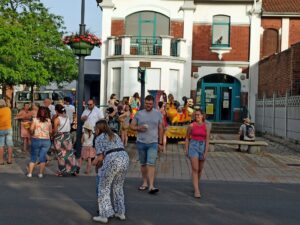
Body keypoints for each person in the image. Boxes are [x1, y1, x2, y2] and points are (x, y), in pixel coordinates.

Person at [92, 119, 129, 223]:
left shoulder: (99, 138)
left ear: (98, 128)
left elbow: (100, 157)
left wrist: (93, 163)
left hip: (112, 159)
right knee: (118, 186)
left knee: (104, 187)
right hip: (124, 157)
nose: (95, 130)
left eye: (95, 128)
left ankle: (104, 215)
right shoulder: (115, 135)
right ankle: (120, 212)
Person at [130, 95, 164, 194]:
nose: (148, 105)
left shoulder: (158, 114)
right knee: (143, 164)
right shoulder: (139, 114)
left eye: (150, 104)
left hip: (153, 142)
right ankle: (145, 182)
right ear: (144, 103)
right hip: (141, 142)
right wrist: (138, 128)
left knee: (151, 163)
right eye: (147, 103)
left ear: (153, 104)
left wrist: (161, 143)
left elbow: (161, 128)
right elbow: (131, 126)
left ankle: (151, 186)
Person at [185, 109, 210, 198]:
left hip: (202, 147)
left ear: (203, 116)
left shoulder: (206, 126)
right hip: (193, 146)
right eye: (196, 115)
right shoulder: (191, 126)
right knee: (195, 169)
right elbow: (187, 138)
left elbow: (207, 140)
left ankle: (196, 184)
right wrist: (186, 149)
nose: (197, 117)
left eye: (199, 115)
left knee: (200, 169)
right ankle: (196, 190)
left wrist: (206, 152)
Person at [52, 104, 78, 176]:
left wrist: (52, 135)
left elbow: (55, 130)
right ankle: (73, 170)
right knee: (70, 154)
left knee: (61, 155)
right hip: (67, 137)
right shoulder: (67, 117)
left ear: (56, 111)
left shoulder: (57, 119)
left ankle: (62, 171)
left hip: (59, 138)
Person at [27, 106, 52, 178]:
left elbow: (31, 129)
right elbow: (50, 131)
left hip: (36, 139)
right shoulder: (49, 121)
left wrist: (32, 132)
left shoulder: (35, 120)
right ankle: (40, 174)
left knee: (33, 156)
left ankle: (30, 173)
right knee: (42, 157)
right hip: (46, 140)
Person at [0, 99, 13, 165]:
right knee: (9, 145)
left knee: (1, 145)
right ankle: (9, 160)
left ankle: (1, 161)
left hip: (1, 129)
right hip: (8, 128)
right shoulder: (8, 109)